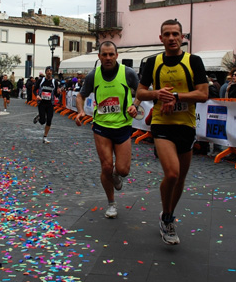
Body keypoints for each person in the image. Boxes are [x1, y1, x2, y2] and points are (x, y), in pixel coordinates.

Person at [136, 19, 208, 245]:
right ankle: (168, 219)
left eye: (175, 34)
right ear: (161, 38)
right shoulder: (153, 62)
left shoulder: (193, 61)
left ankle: (167, 214)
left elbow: (203, 94)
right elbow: (140, 91)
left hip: (186, 124)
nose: (171, 38)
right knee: (173, 173)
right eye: (167, 34)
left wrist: (176, 97)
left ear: (182, 37)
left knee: (180, 178)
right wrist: (158, 94)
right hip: (162, 123)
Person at [74, 41, 140, 219]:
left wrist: (135, 105)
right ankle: (111, 203)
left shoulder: (127, 73)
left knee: (123, 170)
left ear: (117, 55)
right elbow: (81, 95)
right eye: (105, 55)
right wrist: (80, 111)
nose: (108, 58)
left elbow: (141, 90)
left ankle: (117, 175)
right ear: (99, 57)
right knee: (106, 166)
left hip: (123, 126)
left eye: (111, 54)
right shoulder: (93, 75)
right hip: (101, 126)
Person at [33, 66, 61, 143]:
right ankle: (40, 117)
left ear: (52, 73)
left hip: (50, 104)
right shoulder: (41, 80)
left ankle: (45, 137)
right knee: (42, 121)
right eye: (47, 71)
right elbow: (34, 90)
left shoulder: (54, 82)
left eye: (50, 71)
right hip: (41, 103)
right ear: (45, 72)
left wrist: (58, 93)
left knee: (49, 120)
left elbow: (55, 93)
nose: (49, 72)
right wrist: (37, 95)